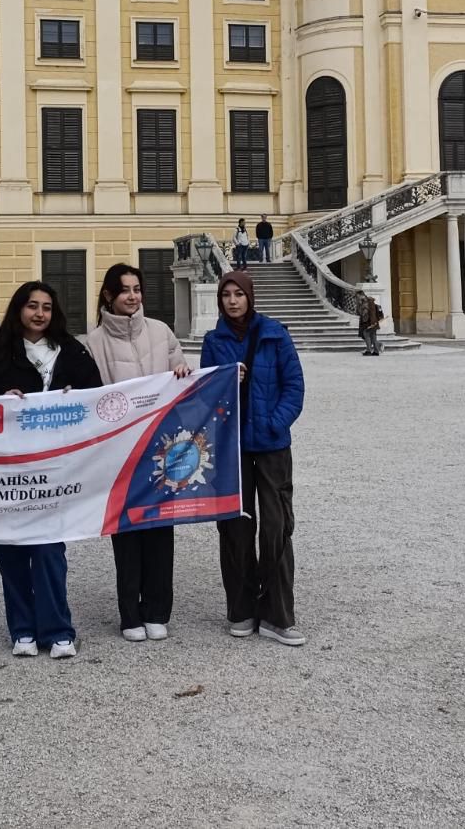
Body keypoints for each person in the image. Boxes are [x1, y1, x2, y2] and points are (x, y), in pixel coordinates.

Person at [0, 281, 103, 660]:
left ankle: (58, 628)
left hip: (57, 469)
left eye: (46, 306)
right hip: (8, 471)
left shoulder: (73, 352)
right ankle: (22, 628)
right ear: (18, 310)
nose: (39, 313)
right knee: (10, 550)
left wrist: (76, 398)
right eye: (32, 306)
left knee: (48, 549)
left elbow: (99, 400)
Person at [83, 263, 192, 643]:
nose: (133, 296)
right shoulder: (92, 342)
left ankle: (157, 609)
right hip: (120, 451)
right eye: (125, 290)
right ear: (109, 295)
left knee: (161, 530)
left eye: (137, 289)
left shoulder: (161, 331)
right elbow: (88, 395)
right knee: (126, 532)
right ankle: (130, 613)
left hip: (164, 449)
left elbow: (179, 363)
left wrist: (180, 368)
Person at [200, 270, 307, 647]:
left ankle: (278, 615)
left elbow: (294, 386)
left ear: (250, 297)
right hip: (232, 450)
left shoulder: (276, 334)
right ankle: (242, 608)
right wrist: (226, 378)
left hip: (272, 444)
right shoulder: (214, 341)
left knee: (278, 527)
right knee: (235, 530)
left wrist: (275, 424)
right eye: (226, 295)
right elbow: (205, 394)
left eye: (238, 294)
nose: (232, 301)